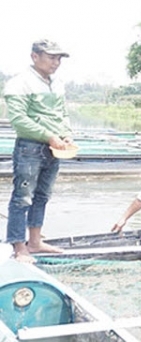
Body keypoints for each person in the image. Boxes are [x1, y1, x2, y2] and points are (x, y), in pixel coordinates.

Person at [3, 39, 73, 263]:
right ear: (35, 56)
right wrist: (49, 136)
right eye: (51, 57)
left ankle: (35, 242)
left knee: (42, 196)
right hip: (30, 148)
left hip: (54, 147)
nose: (56, 62)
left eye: (59, 58)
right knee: (22, 198)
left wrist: (65, 133)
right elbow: (19, 120)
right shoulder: (19, 83)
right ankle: (18, 247)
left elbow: (62, 114)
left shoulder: (57, 83)